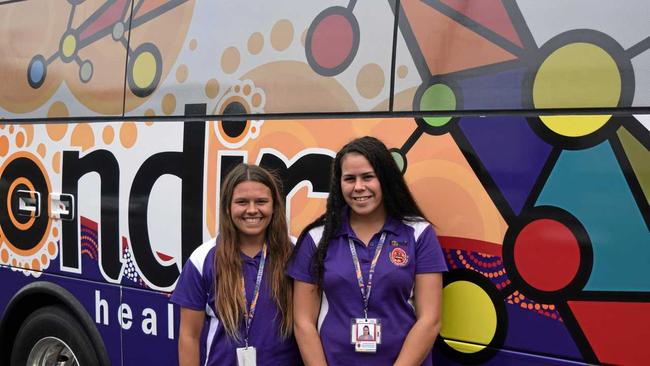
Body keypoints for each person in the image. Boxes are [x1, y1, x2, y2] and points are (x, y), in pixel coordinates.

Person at [288, 136, 448, 365]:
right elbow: (303, 322)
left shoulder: (418, 233)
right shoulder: (317, 237)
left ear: (385, 179)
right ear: (338, 183)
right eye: (349, 179)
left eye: (368, 177)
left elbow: (430, 320)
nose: (358, 187)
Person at [171, 163, 301, 366]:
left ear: (274, 205)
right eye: (242, 202)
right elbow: (189, 336)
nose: (252, 210)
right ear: (227, 207)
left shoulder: (297, 253)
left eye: (261, 201)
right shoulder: (202, 259)